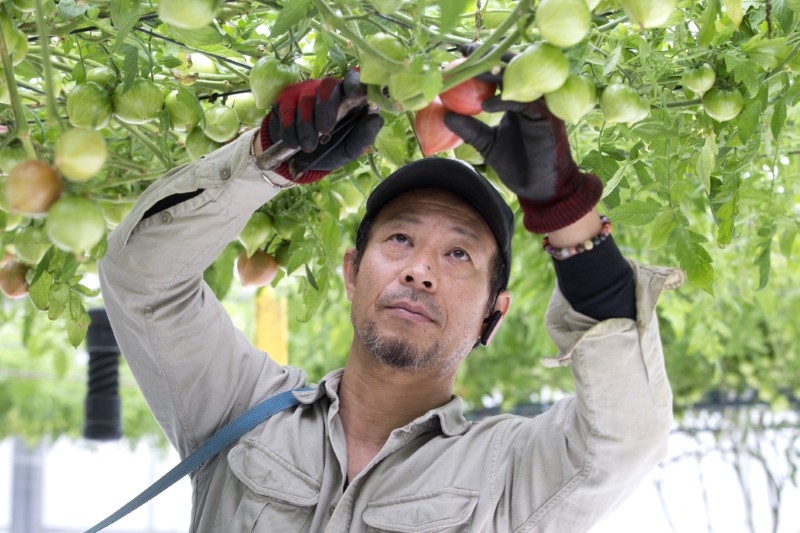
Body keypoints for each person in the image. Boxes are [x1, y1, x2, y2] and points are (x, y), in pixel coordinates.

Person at [98, 67, 684, 532]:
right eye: (400, 238)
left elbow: (625, 436)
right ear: (352, 273)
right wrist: (267, 158)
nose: (420, 270)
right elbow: (143, 278)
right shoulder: (242, 409)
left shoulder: (508, 476)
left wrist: (567, 210)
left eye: (459, 255)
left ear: (492, 315)